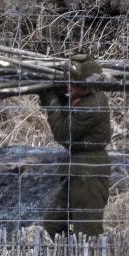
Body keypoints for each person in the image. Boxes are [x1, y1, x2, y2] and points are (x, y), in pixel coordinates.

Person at [39, 54, 112, 238]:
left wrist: (51, 100)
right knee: (53, 224)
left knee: (87, 232)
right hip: (77, 169)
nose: (69, 87)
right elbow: (69, 115)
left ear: (87, 86)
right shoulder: (84, 97)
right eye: (69, 83)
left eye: (75, 85)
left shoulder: (93, 104)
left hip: (89, 173)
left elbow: (64, 134)